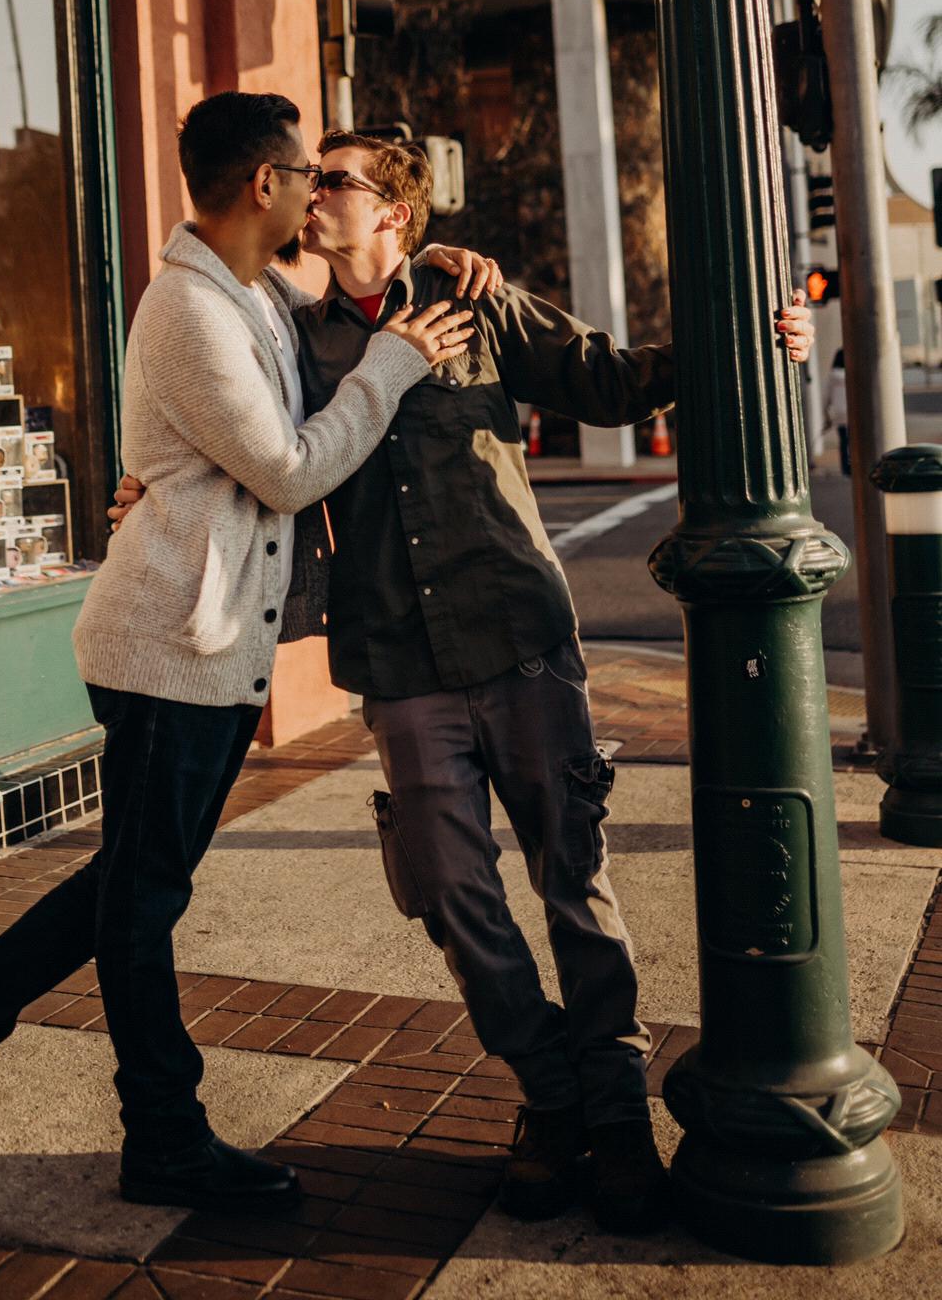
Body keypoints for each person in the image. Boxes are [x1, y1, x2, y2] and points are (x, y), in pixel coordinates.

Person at [115, 131, 815, 1235]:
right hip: (396, 662)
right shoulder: (294, 338)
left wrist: (749, 340)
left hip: (520, 634)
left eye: (334, 180)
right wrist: (147, 489)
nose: (312, 194)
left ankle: (617, 1115)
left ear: (394, 211)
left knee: (573, 881)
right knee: (449, 892)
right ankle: (551, 1094)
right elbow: (240, 449)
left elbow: (615, 382)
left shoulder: (473, 298)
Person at [0, 92, 490, 1216]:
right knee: (141, 902)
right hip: (167, 648)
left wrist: (434, 254)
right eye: (302, 172)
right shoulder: (189, 309)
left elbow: (352, 290)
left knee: (129, 885)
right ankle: (162, 1132)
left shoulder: (248, 289)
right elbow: (291, 467)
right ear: (262, 184)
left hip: (192, 639)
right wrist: (392, 367)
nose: (310, 189)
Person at [826, 348, 850, 475]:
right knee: (853, 441)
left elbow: (828, 396)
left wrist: (827, 412)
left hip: (838, 412)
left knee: (843, 441)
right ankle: (853, 465)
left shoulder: (832, 376)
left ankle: (844, 467)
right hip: (851, 411)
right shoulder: (852, 374)